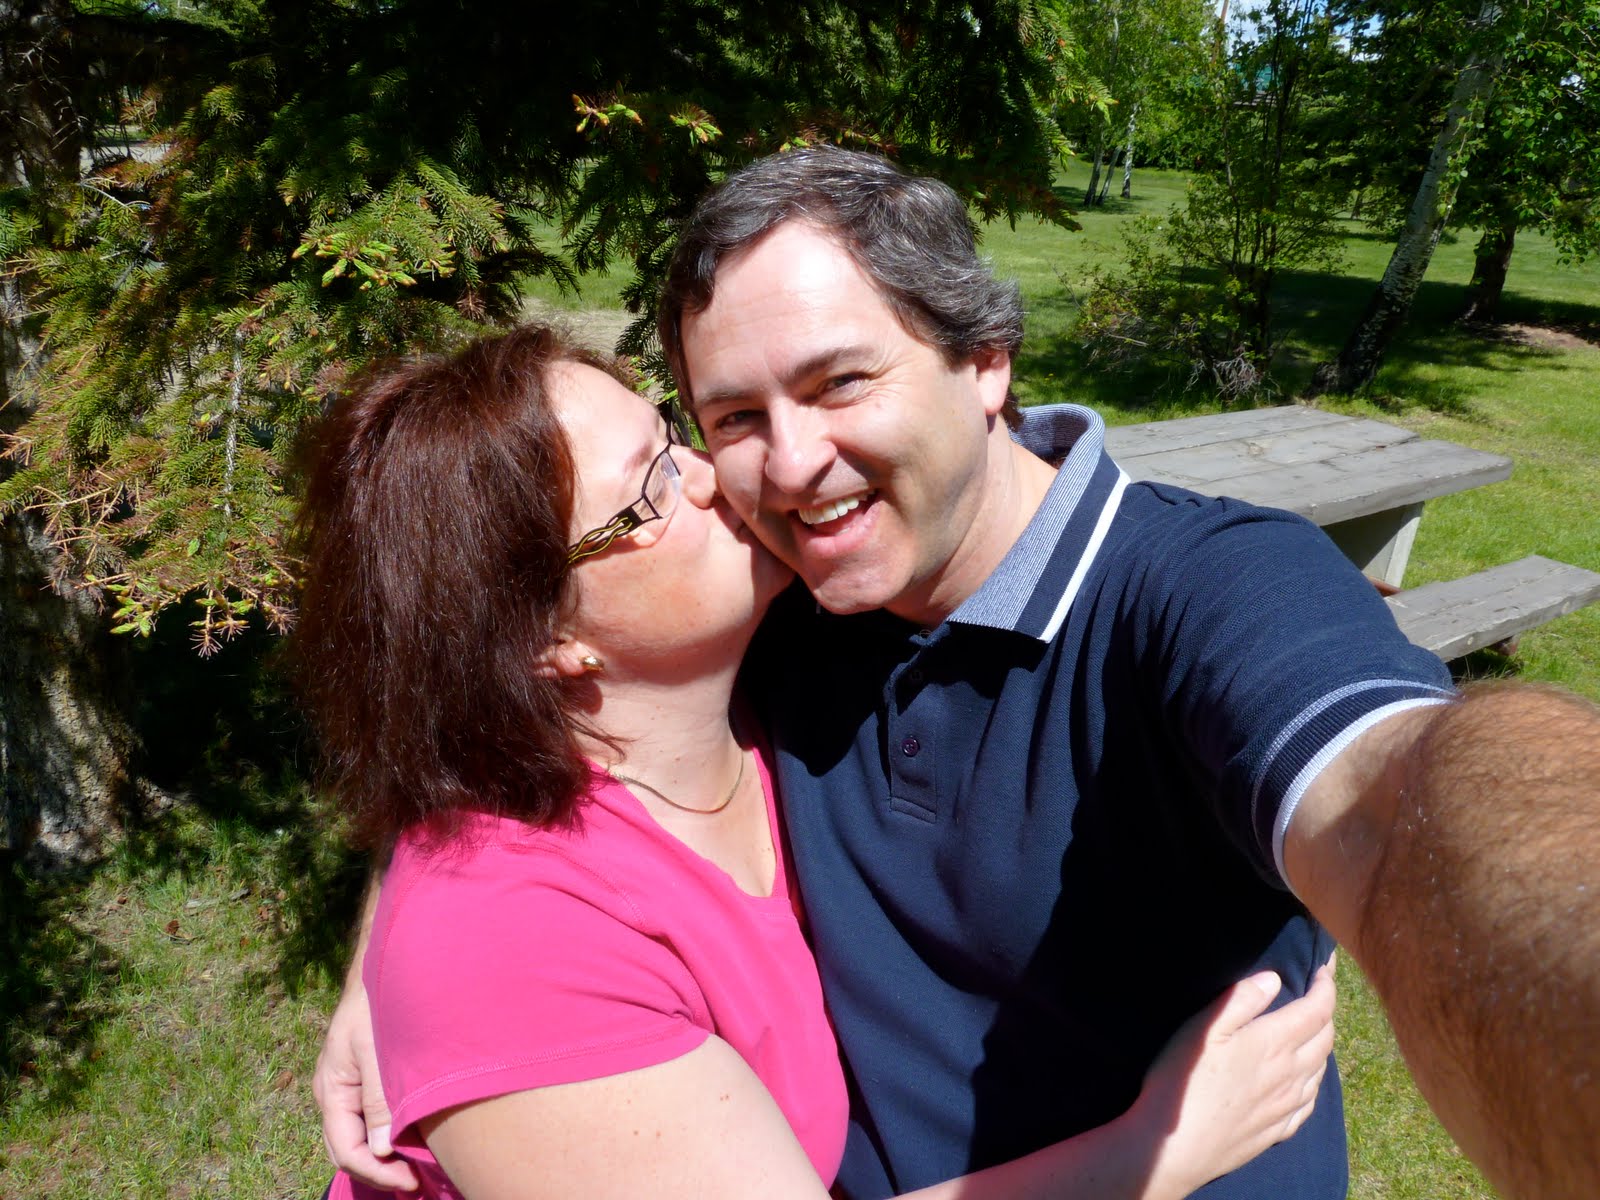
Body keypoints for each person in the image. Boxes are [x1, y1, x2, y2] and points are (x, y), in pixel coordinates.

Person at [319, 150, 1600, 1199]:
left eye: (841, 382)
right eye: (731, 419)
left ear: (985, 359)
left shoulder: (1200, 592)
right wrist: (415, 950)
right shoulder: (789, 603)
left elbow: (1387, 795)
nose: (781, 469)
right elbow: (506, 698)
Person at [295, 323, 1338, 1200]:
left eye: (672, 438)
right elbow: (472, 913)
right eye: (647, 492)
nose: (715, 479)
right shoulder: (510, 941)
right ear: (544, 640)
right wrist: (1160, 1148)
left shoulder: (764, 676)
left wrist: (377, 960)